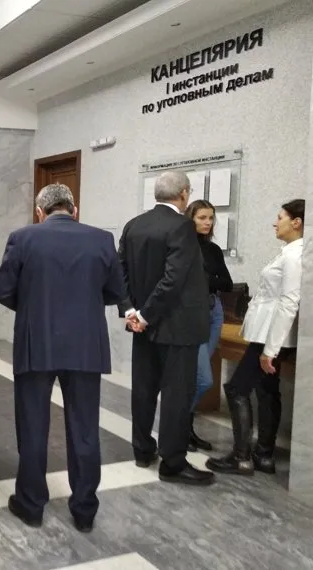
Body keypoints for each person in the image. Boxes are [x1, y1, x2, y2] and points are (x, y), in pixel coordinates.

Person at [0, 184, 124, 531]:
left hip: (36, 344)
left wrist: (34, 306)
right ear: (74, 209)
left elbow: (2, 290)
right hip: (85, 345)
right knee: (85, 430)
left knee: (32, 427)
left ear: (40, 211)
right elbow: (115, 291)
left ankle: (31, 504)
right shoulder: (102, 240)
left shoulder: (23, 238)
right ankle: (84, 510)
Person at [118, 171, 214, 486]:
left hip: (142, 327)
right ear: (184, 193)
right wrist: (145, 314)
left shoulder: (134, 225)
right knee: (176, 395)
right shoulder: (182, 226)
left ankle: (143, 450)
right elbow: (174, 279)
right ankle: (173, 463)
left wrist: (131, 311)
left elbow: (120, 272)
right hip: (176, 327)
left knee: (144, 390)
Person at [206, 199, 304, 476]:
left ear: (296, 222)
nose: (275, 222)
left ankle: (241, 457)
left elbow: (289, 302)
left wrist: (270, 349)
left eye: (280, 217)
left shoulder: (295, 255)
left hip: (271, 336)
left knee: (237, 388)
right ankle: (263, 456)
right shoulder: (290, 251)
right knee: (267, 389)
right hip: (270, 334)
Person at [184, 200, 233, 451]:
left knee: (197, 378)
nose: (207, 222)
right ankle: (179, 426)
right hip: (193, 315)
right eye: (202, 217)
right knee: (203, 379)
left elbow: (227, 283)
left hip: (215, 312)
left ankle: (187, 429)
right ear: (190, 218)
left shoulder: (212, 249)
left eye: (211, 218)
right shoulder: (183, 246)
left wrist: (204, 279)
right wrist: (208, 279)